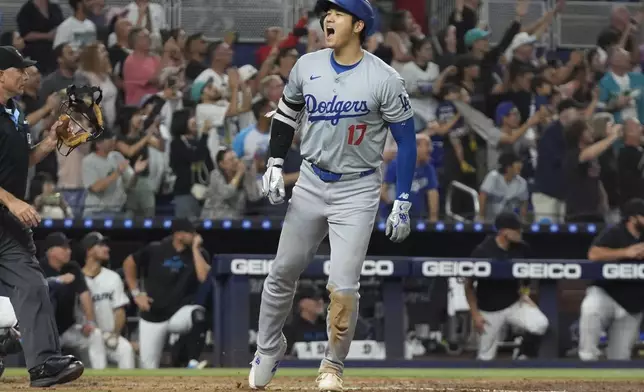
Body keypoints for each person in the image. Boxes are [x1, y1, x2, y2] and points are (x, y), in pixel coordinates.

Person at [250, 0, 416, 390]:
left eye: (339, 13)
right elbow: (287, 113)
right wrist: (275, 161)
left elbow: (406, 141)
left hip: (358, 188)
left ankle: (332, 366)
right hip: (310, 180)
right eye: (328, 12)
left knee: (343, 286)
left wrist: (403, 199)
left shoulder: (384, 77)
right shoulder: (307, 66)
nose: (328, 17)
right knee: (281, 272)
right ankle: (268, 348)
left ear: (358, 25)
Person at [0, 46, 83, 387]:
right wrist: (12, 201)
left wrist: (51, 141)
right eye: (18, 69)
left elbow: (23, 161)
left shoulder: (15, 112)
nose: (25, 74)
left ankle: (45, 364)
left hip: (7, 224)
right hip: (7, 210)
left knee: (32, 284)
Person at [122, 219, 211, 369]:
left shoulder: (199, 254)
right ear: (179, 235)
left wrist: (196, 249)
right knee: (148, 367)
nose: (196, 236)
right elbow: (129, 263)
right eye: (192, 233)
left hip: (179, 313)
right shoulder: (156, 249)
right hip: (153, 314)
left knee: (199, 315)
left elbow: (203, 277)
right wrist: (136, 293)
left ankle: (192, 362)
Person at [464, 212, 548, 360]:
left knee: (540, 324)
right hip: (488, 310)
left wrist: (524, 294)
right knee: (485, 358)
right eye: (516, 230)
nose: (520, 233)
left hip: (514, 303)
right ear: (504, 231)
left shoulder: (522, 248)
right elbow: (469, 285)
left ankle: (522, 354)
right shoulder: (483, 251)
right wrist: (475, 314)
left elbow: (528, 276)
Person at [578, 198, 644, 361]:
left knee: (619, 360)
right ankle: (586, 363)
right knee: (590, 309)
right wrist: (625, 252)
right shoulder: (615, 232)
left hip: (632, 305)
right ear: (633, 218)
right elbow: (593, 254)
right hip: (606, 294)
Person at [41, 232, 108, 370]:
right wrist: (56, 281)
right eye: (64, 248)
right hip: (45, 331)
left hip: (68, 328)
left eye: (69, 248)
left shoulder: (73, 267)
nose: (69, 251)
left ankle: (101, 376)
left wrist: (89, 322)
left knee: (95, 335)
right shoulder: (38, 267)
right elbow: (31, 290)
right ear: (51, 251)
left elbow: (85, 295)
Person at [80, 232, 135, 369]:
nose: (107, 249)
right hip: (85, 336)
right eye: (101, 245)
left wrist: (115, 335)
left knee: (126, 349)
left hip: (108, 335)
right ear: (89, 250)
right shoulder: (77, 279)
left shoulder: (113, 277)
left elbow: (120, 310)